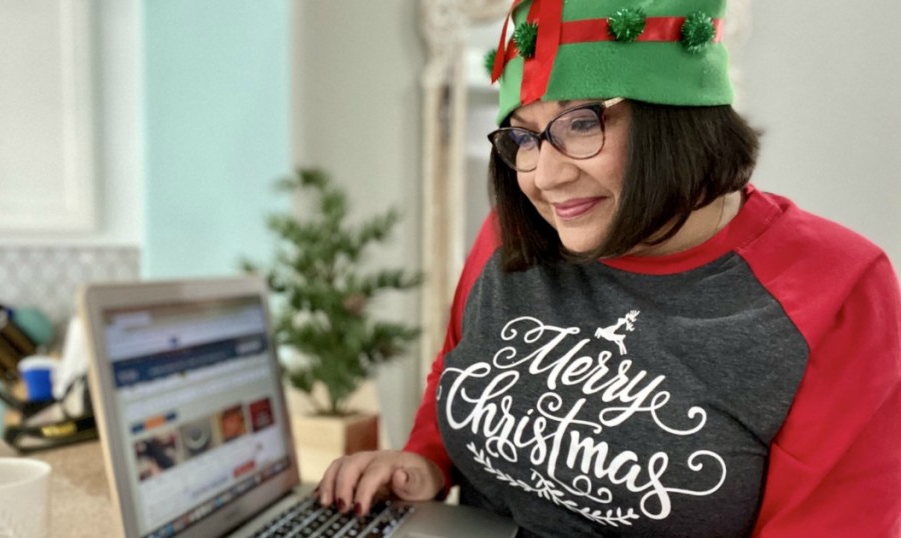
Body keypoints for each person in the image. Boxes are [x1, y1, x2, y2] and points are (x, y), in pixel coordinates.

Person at [316, 0, 901, 536]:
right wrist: (424, 458)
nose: (544, 178)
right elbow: (461, 365)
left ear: (678, 118)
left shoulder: (840, 288)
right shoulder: (515, 232)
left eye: (581, 122)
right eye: (523, 136)